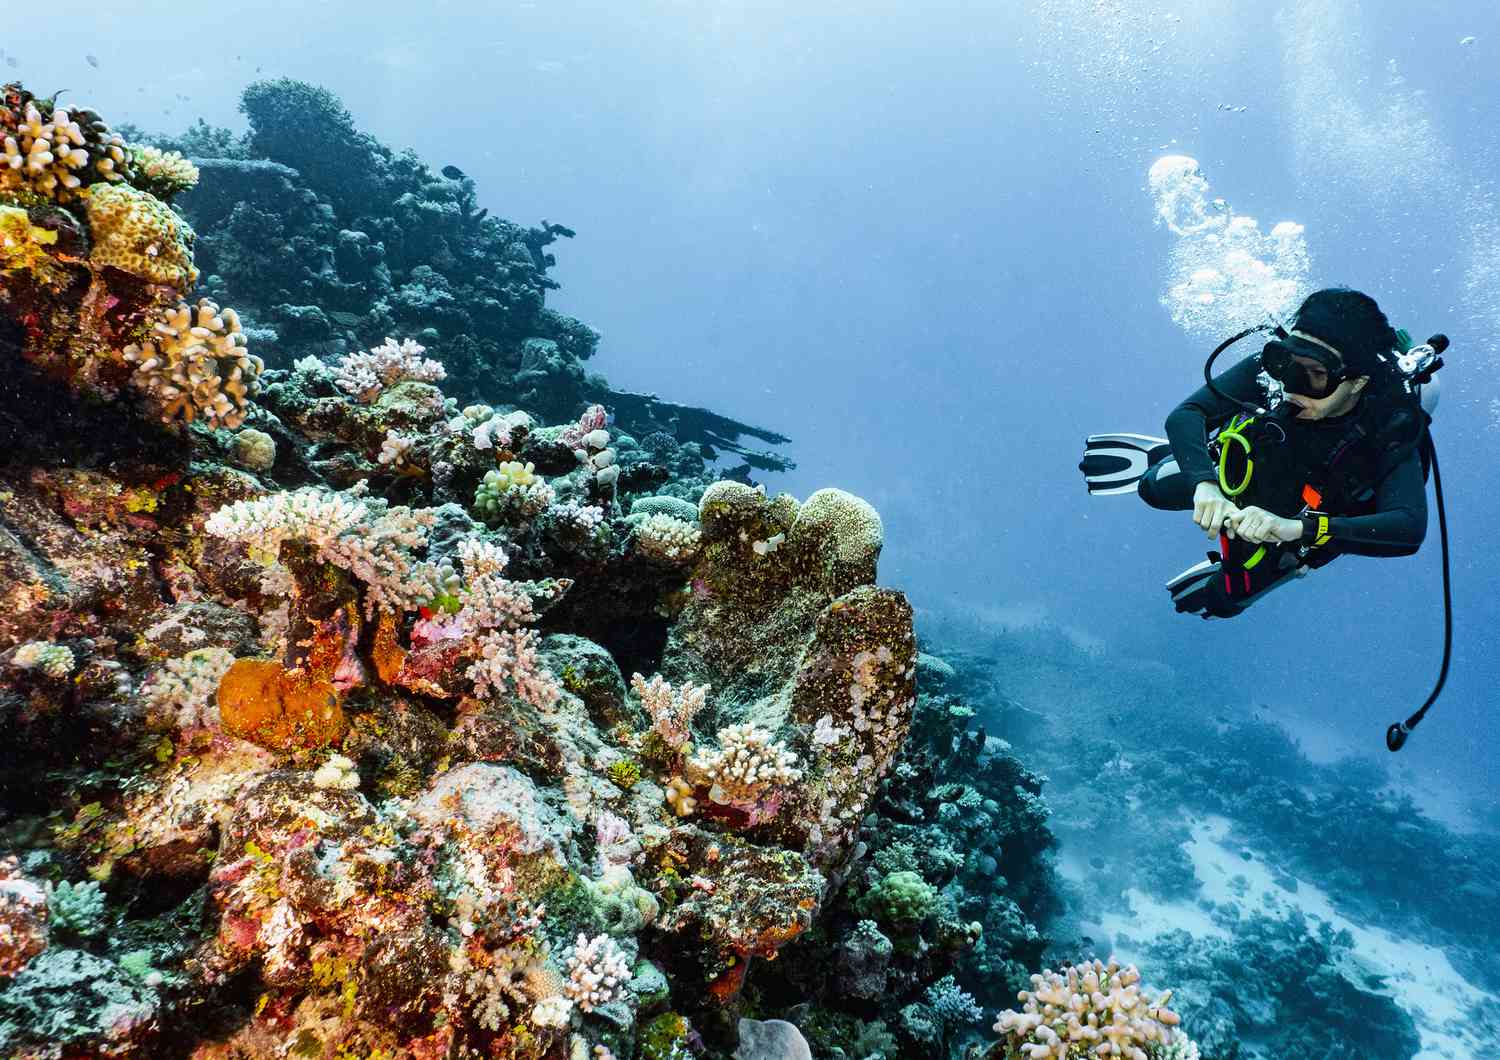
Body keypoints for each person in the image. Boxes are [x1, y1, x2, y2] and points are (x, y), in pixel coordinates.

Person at [1085, 288, 1431, 618]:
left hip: (1301, 524)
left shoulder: (1389, 426)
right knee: (1153, 488)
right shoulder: (1271, 371)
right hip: (1249, 466)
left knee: (1222, 601)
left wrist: (1296, 529)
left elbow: (1408, 529)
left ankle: (1285, 567)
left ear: (1358, 381)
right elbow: (1187, 414)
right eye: (1288, 364)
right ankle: (1197, 456)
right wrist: (1204, 484)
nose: (1292, 385)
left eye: (1316, 375)